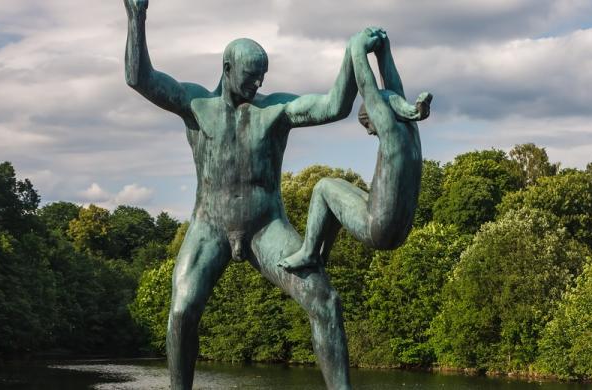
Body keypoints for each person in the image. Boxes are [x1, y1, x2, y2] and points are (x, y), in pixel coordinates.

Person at [123, 1, 377, 389]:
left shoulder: (275, 110)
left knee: (325, 301)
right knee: (182, 310)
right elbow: (140, 79)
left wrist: (353, 53)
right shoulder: (195, 104)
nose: (258, 84)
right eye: (250, 76)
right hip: (209, 226)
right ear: (226, 70)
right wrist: (136, 17)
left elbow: (334, 106)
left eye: (262, 76)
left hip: (265, 228)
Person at [279, 29, 432, 271]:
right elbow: (393, 91)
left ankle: (309, 253)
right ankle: (322, 255)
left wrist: (356, 50)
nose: (371, 132)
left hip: (378, 229)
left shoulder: (391, 135)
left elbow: (368, 90)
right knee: (338, 186)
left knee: (322, 188)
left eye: (368, 124)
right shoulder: (410, 130)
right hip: (399, 229)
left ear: (378, 117)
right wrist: (384, 51)